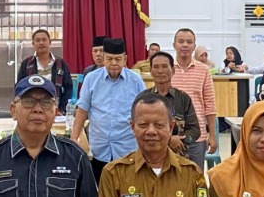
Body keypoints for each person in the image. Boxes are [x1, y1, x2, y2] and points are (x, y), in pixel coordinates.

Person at [72, 37, 147, 186]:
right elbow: (82, 110)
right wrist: (74, 139)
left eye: (118, 59)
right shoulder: (91, 79)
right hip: (100, 148)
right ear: (103, 59)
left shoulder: (136, 80)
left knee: (129, 194)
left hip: (127, 148)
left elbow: (144, 113)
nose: (113, 63)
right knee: (102, 196)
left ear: (125, 59)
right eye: (109, 59)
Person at [171, 28, 219, 164]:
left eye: (189, 42)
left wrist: (212, 136)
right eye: (181, 41)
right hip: (172, 136)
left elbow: (209, 104)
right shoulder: (167, 69)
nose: (185, 45)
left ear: (194, 46)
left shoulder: (204, 70)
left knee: (196, 179)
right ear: (174, 45)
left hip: (197, 137)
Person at [145, 51, 201, 162]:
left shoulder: (183, 98)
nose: (160, 71)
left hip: (179, 159)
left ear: (173, 71)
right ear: (150, 71)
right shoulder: (143, 99)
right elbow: (137, 128)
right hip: (149, 158)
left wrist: (180, 140)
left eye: (165, 66)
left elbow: (195, 130)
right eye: (156, 67)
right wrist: (168, 140)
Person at [15, 27, 73, 111]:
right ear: (33, 44)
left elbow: (68, 88)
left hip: (54, 110)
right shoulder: (26, 64)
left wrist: (61, 109)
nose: (41, 43)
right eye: (37, 40)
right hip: (32, 109)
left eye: (44, 39)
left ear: (50, 42)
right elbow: (19, 88)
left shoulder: (60, 63)